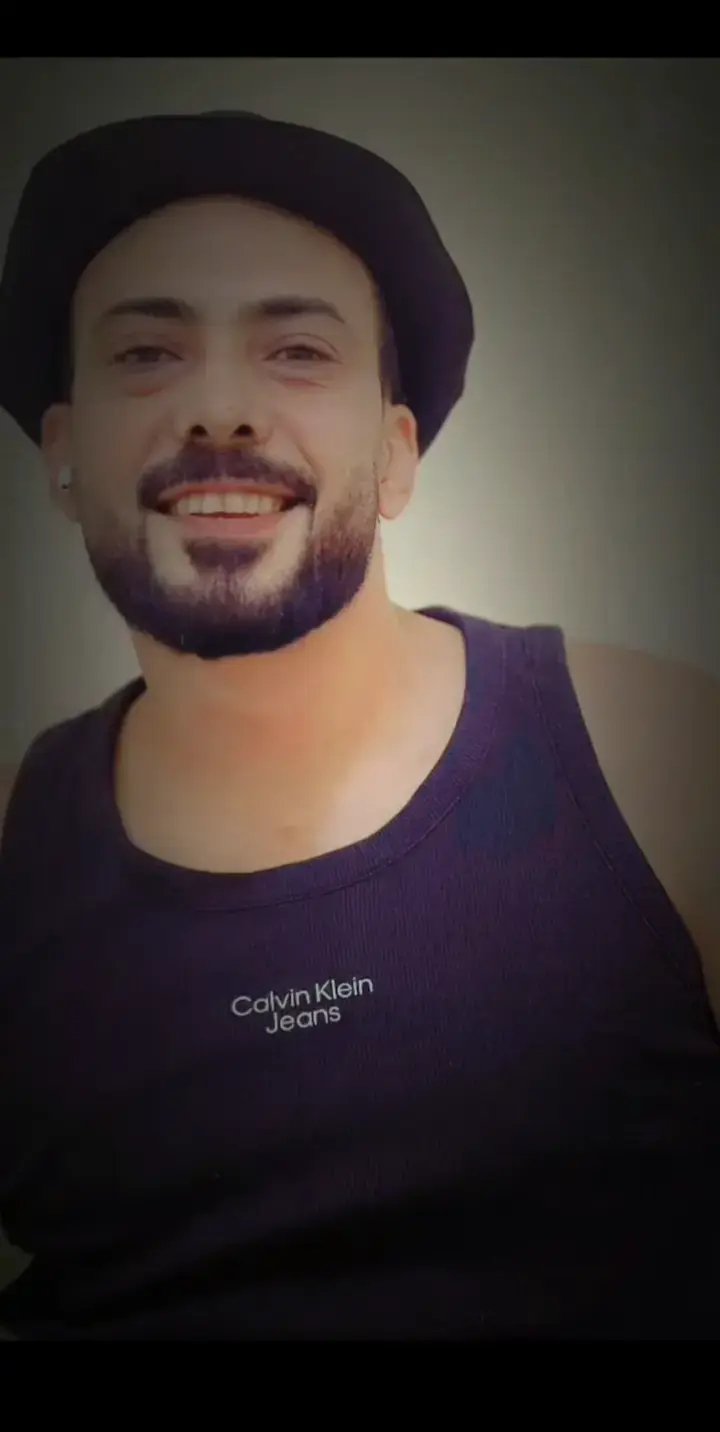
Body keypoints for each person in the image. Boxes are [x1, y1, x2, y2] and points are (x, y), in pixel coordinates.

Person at [0, 110, 718, 1342]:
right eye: (147, 353)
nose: (220, 408)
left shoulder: (669, 765)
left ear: (396, 456)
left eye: (296, 350)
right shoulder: (11, 846)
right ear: (63, 454)